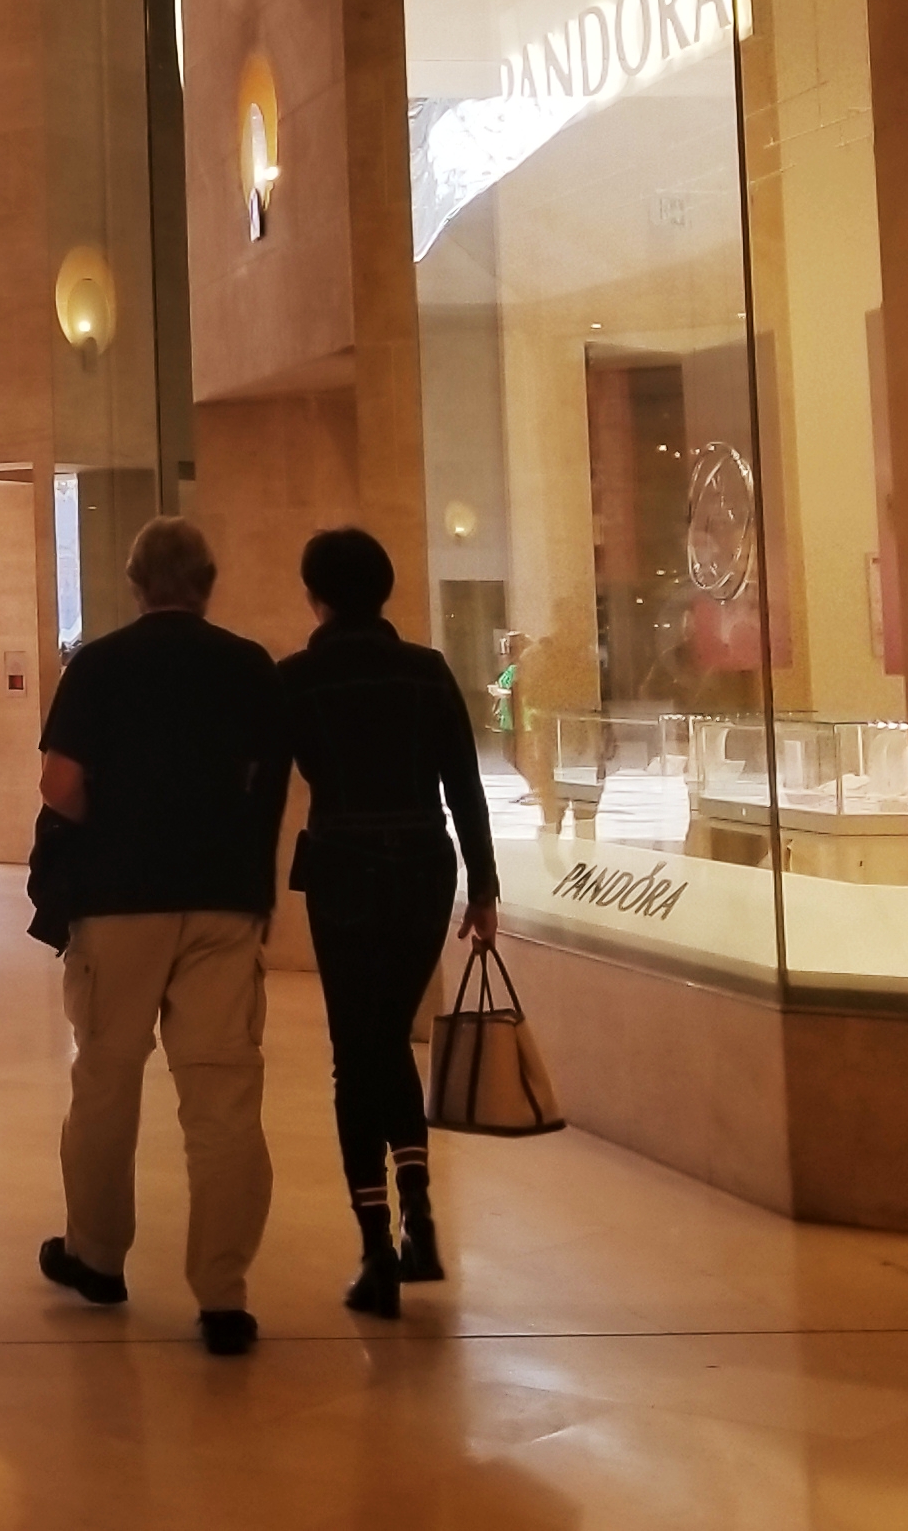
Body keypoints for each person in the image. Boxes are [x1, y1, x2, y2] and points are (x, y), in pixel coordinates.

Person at [25, 516, 286, 1358]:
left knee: (107, 1078)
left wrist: (112, 828)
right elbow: (267, 788)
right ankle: (223, 1295)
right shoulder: (248, 666)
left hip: (119, 899)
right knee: (223, 1096)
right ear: (209, 582)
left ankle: (98, 1257)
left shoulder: (100, 665)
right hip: (223, 899)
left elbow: (59, 782)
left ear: (135, 583)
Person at [276, 527, 501, 1319]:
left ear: (316, 596)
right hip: (422, 867)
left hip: (342, 868)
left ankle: (377, 1246)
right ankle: (421, 1217)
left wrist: (248, 896)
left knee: (356, 1051)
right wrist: (483, 887)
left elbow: (265, 791)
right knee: (389, 1039)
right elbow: (465, 786)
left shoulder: (297, 679)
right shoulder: (426, 671)